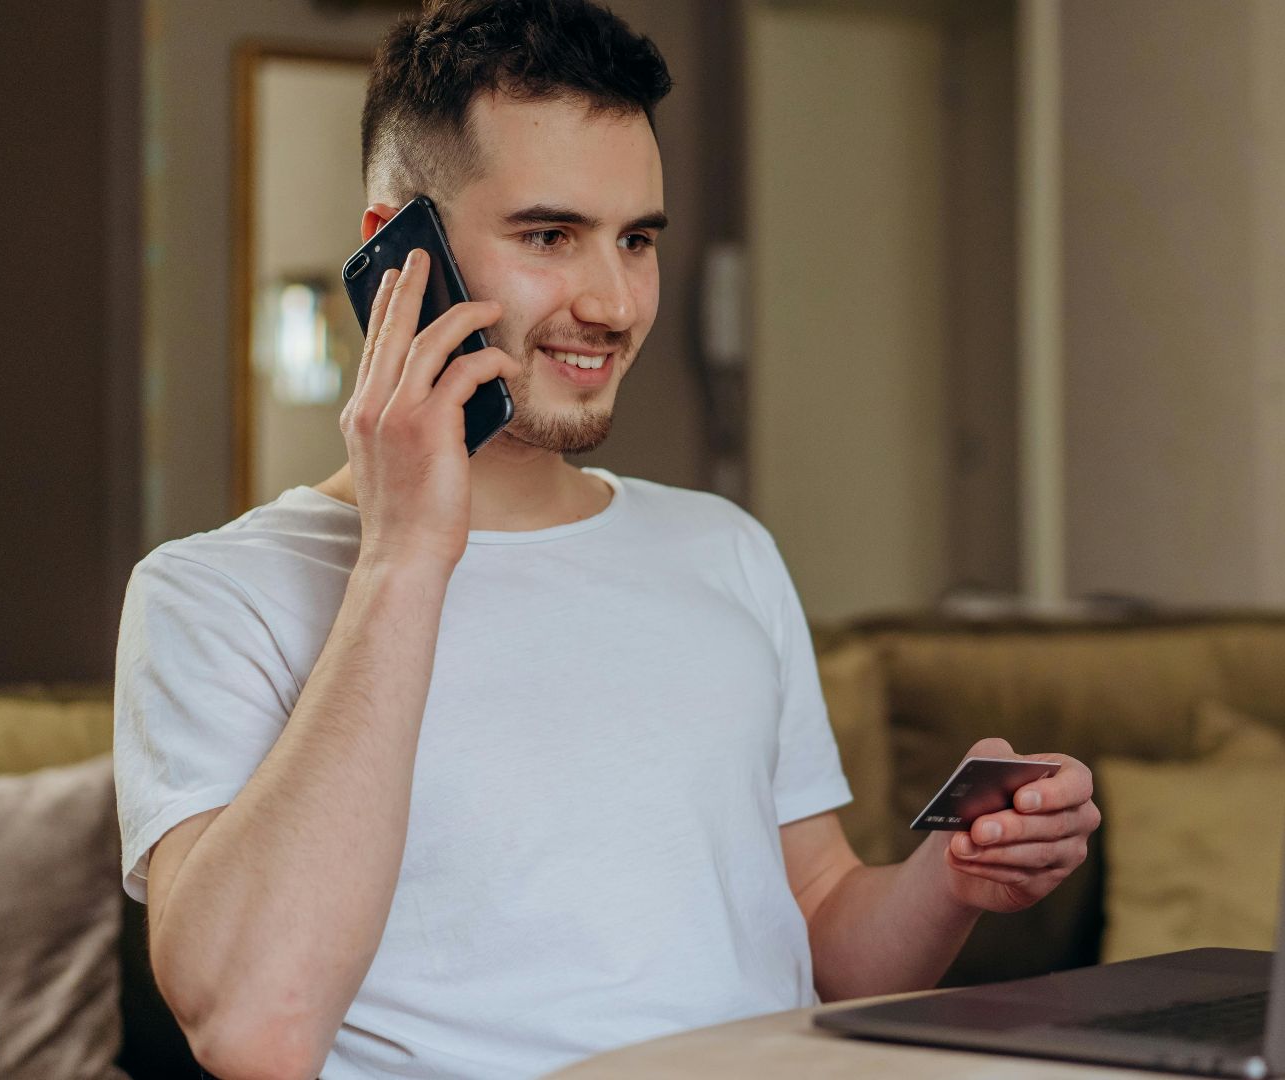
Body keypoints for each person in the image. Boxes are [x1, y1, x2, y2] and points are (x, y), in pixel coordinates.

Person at [112, 1, 1099, 1077]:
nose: (616, 302)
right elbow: (256, 1028)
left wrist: (954, 879)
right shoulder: (213, 595)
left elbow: (821, 931)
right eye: (549, 236)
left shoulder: (722, 550)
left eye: (636, 241)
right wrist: (404, 555)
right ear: (397, 250)